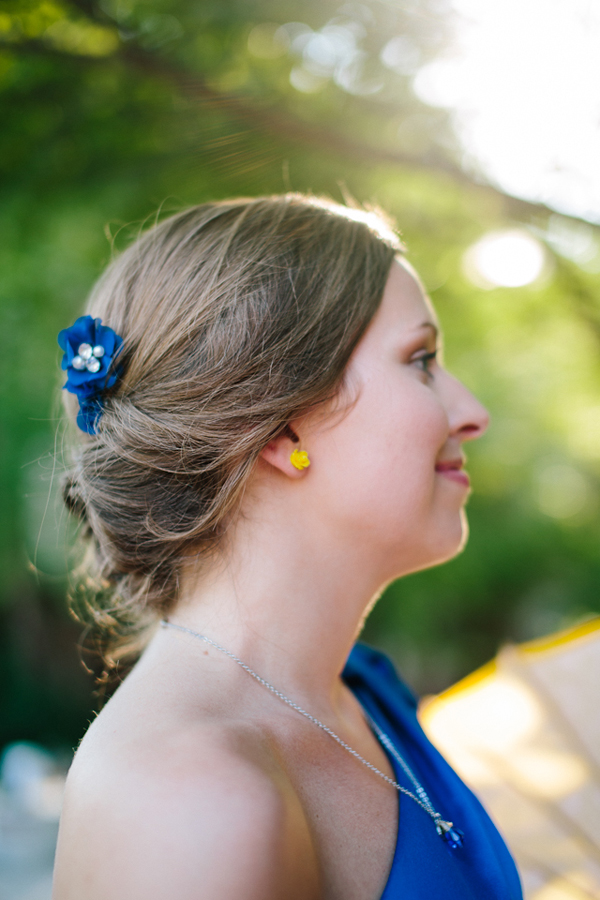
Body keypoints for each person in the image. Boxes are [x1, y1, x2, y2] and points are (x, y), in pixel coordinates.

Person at [52, 194, 522, 900]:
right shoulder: (191, 802)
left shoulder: (363, 692)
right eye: (421, 359)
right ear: (280, 426)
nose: (472, 412)